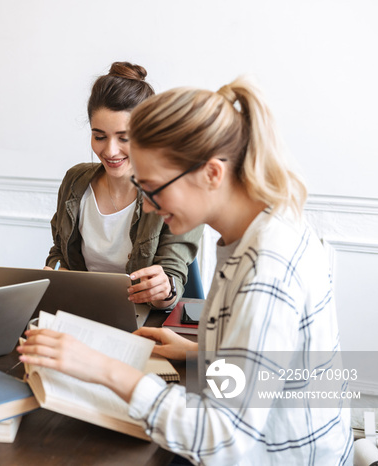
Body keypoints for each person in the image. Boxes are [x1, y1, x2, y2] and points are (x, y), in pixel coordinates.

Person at [20, 76, 353, 464]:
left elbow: (222, 440)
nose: (146, 207)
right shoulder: (261, 228)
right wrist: (200, 353)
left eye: (153, 188)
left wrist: (106, 369)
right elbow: (272, 369)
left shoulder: (265, 269)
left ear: (212, 173)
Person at [45, 62, 203, 310]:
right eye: (99, 136)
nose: (109, 151)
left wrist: (164, 288)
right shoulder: (74, 182)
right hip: (83, 312)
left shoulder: (179, 192)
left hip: (146, 319)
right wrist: (56, 271)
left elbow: (172, 282)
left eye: (124, 138)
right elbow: (60, 252)